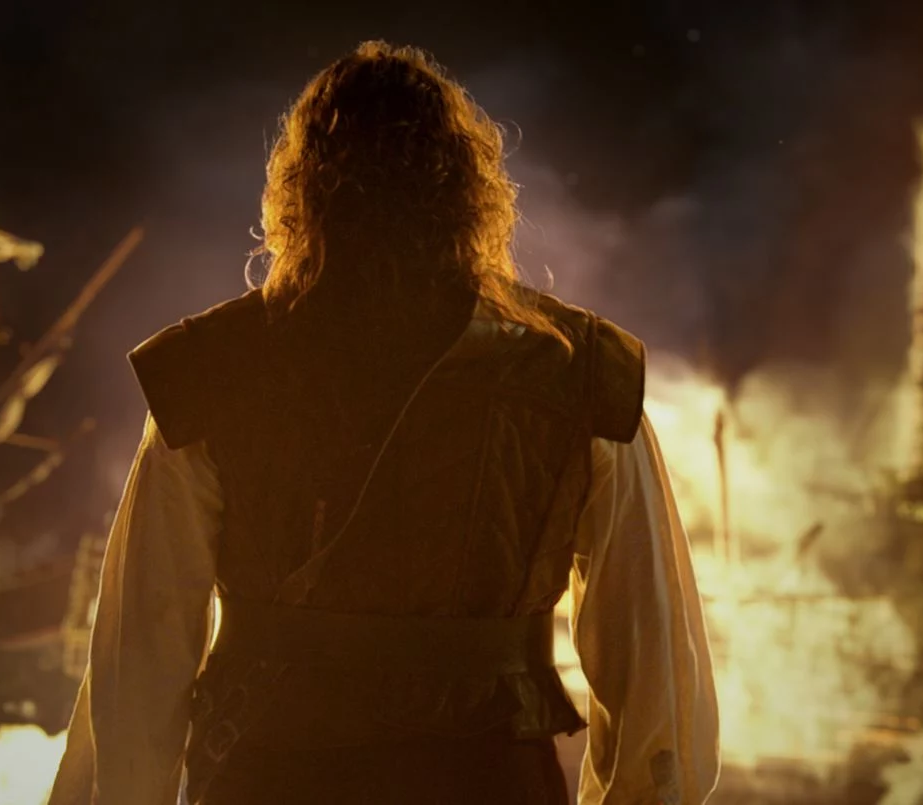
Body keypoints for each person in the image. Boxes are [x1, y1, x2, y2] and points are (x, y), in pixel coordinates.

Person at [48, 41, 720, 805]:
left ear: (303, 193)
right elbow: (657, 691)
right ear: (466, 189)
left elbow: (140, 667)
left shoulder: (211, 371)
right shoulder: (577, 371)